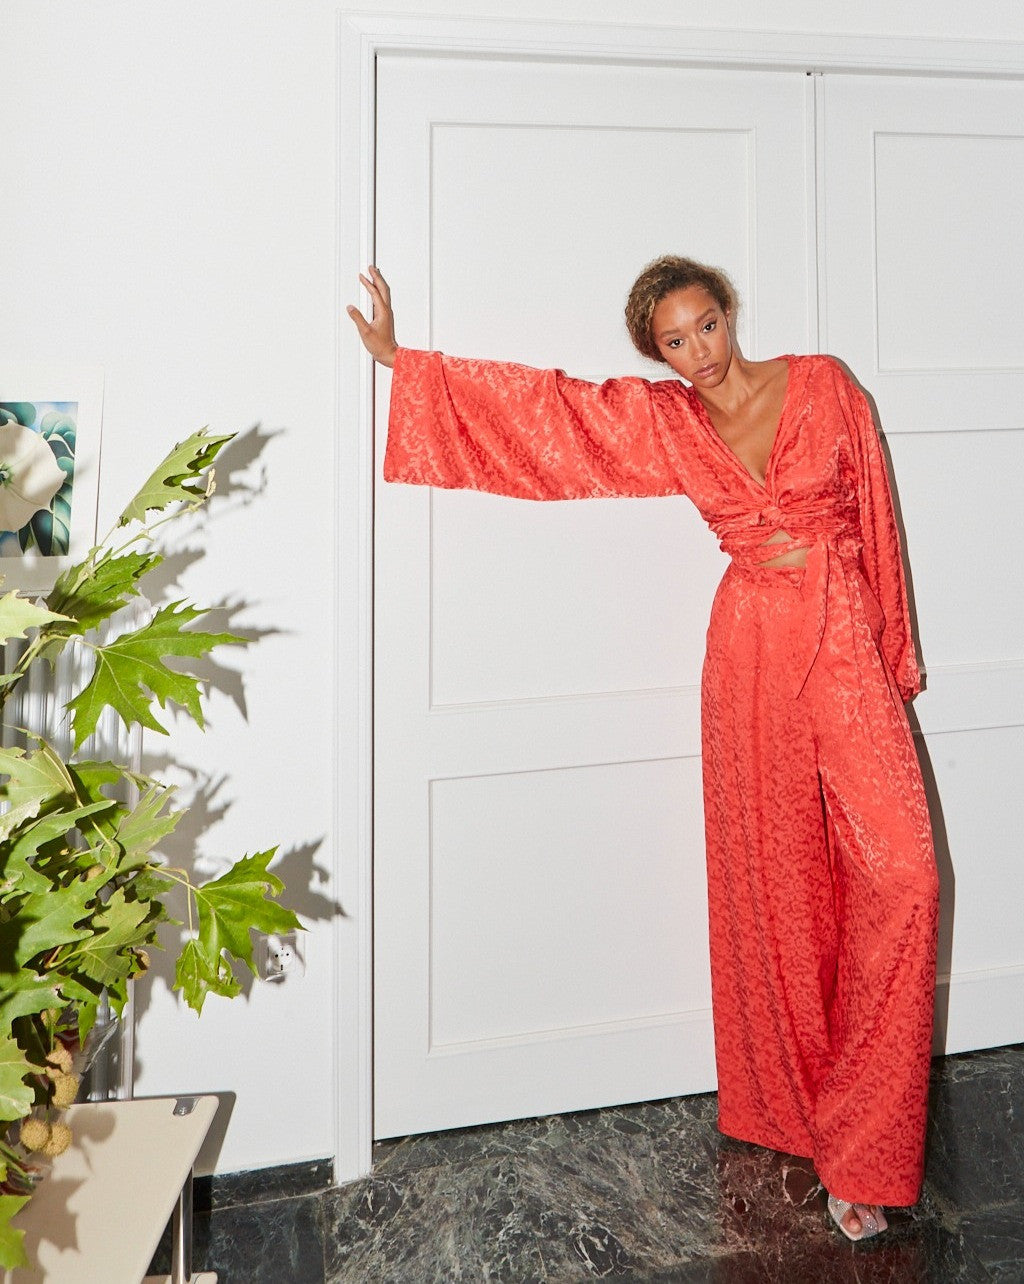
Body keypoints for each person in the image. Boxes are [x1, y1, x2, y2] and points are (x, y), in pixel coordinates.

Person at [348, 257, 940, 1243]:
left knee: (906, 877)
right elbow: (553, 414)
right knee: (781, 889)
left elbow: (875, 515)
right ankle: (812, 1131)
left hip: (841, 643)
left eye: (706, 325)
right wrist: (404, 364)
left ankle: (866, 1138)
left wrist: (891, 656)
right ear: (656, 353)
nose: (698, 352)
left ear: (728, 313)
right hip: (749, 656)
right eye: (674, 341)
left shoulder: (824, 385)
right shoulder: (668, 422)